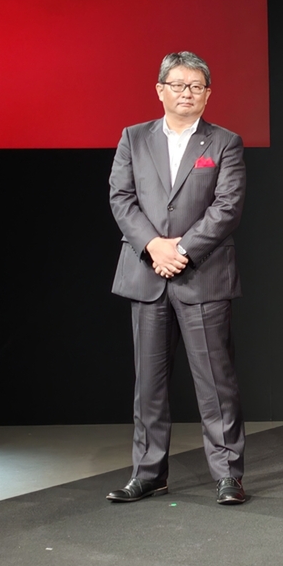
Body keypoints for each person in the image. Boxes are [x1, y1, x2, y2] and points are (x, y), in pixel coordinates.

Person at [108, 51, 248, 505]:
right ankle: (148, 473)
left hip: (202, 274)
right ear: (160, 90)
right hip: (147, 273)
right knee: (148, 384)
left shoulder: (225, 142)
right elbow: (121, 198)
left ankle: (228, 474)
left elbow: (227, 207)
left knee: (216, 382)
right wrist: (154, 246)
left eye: (195, 86)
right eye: (178, 85)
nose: (186, 93)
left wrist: (181, 250)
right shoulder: (134, 137)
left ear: (208, 94)